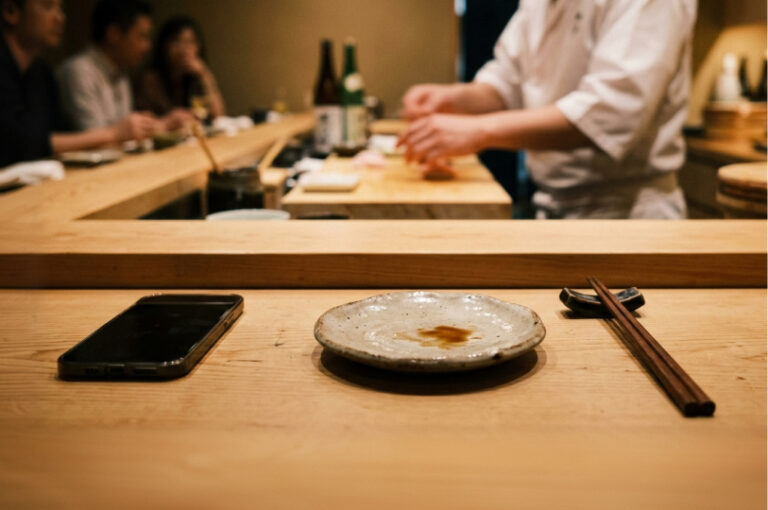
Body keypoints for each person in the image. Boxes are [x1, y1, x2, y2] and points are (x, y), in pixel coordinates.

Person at [399, 0, 697, 219]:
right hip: (550, 205)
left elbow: (611, 112)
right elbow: (507, 82)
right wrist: (450, 98)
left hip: (627, 214)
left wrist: (479, 131)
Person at [0, 0, 158, 168]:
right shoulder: (75, 70)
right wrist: (115, 133)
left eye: (61, 9)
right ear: (11, 11)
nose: (60, 18)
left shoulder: (41, 72)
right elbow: (19, 143)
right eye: (48, 6)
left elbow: (44, 139)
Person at [56, 0, 191, 133]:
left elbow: (125, 131)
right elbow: (94, 138)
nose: (147, 46)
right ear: (114, 34)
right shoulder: (79, 71)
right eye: (142, 36)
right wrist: (162, 124)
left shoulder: (120, 71)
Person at [134, 16, 225, 119]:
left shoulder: (196, 77)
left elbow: (219, 115)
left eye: (190, 42)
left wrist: (204, 74)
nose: (184, 49)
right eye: (177, 41)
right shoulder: (150, 79)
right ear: (164, 45)